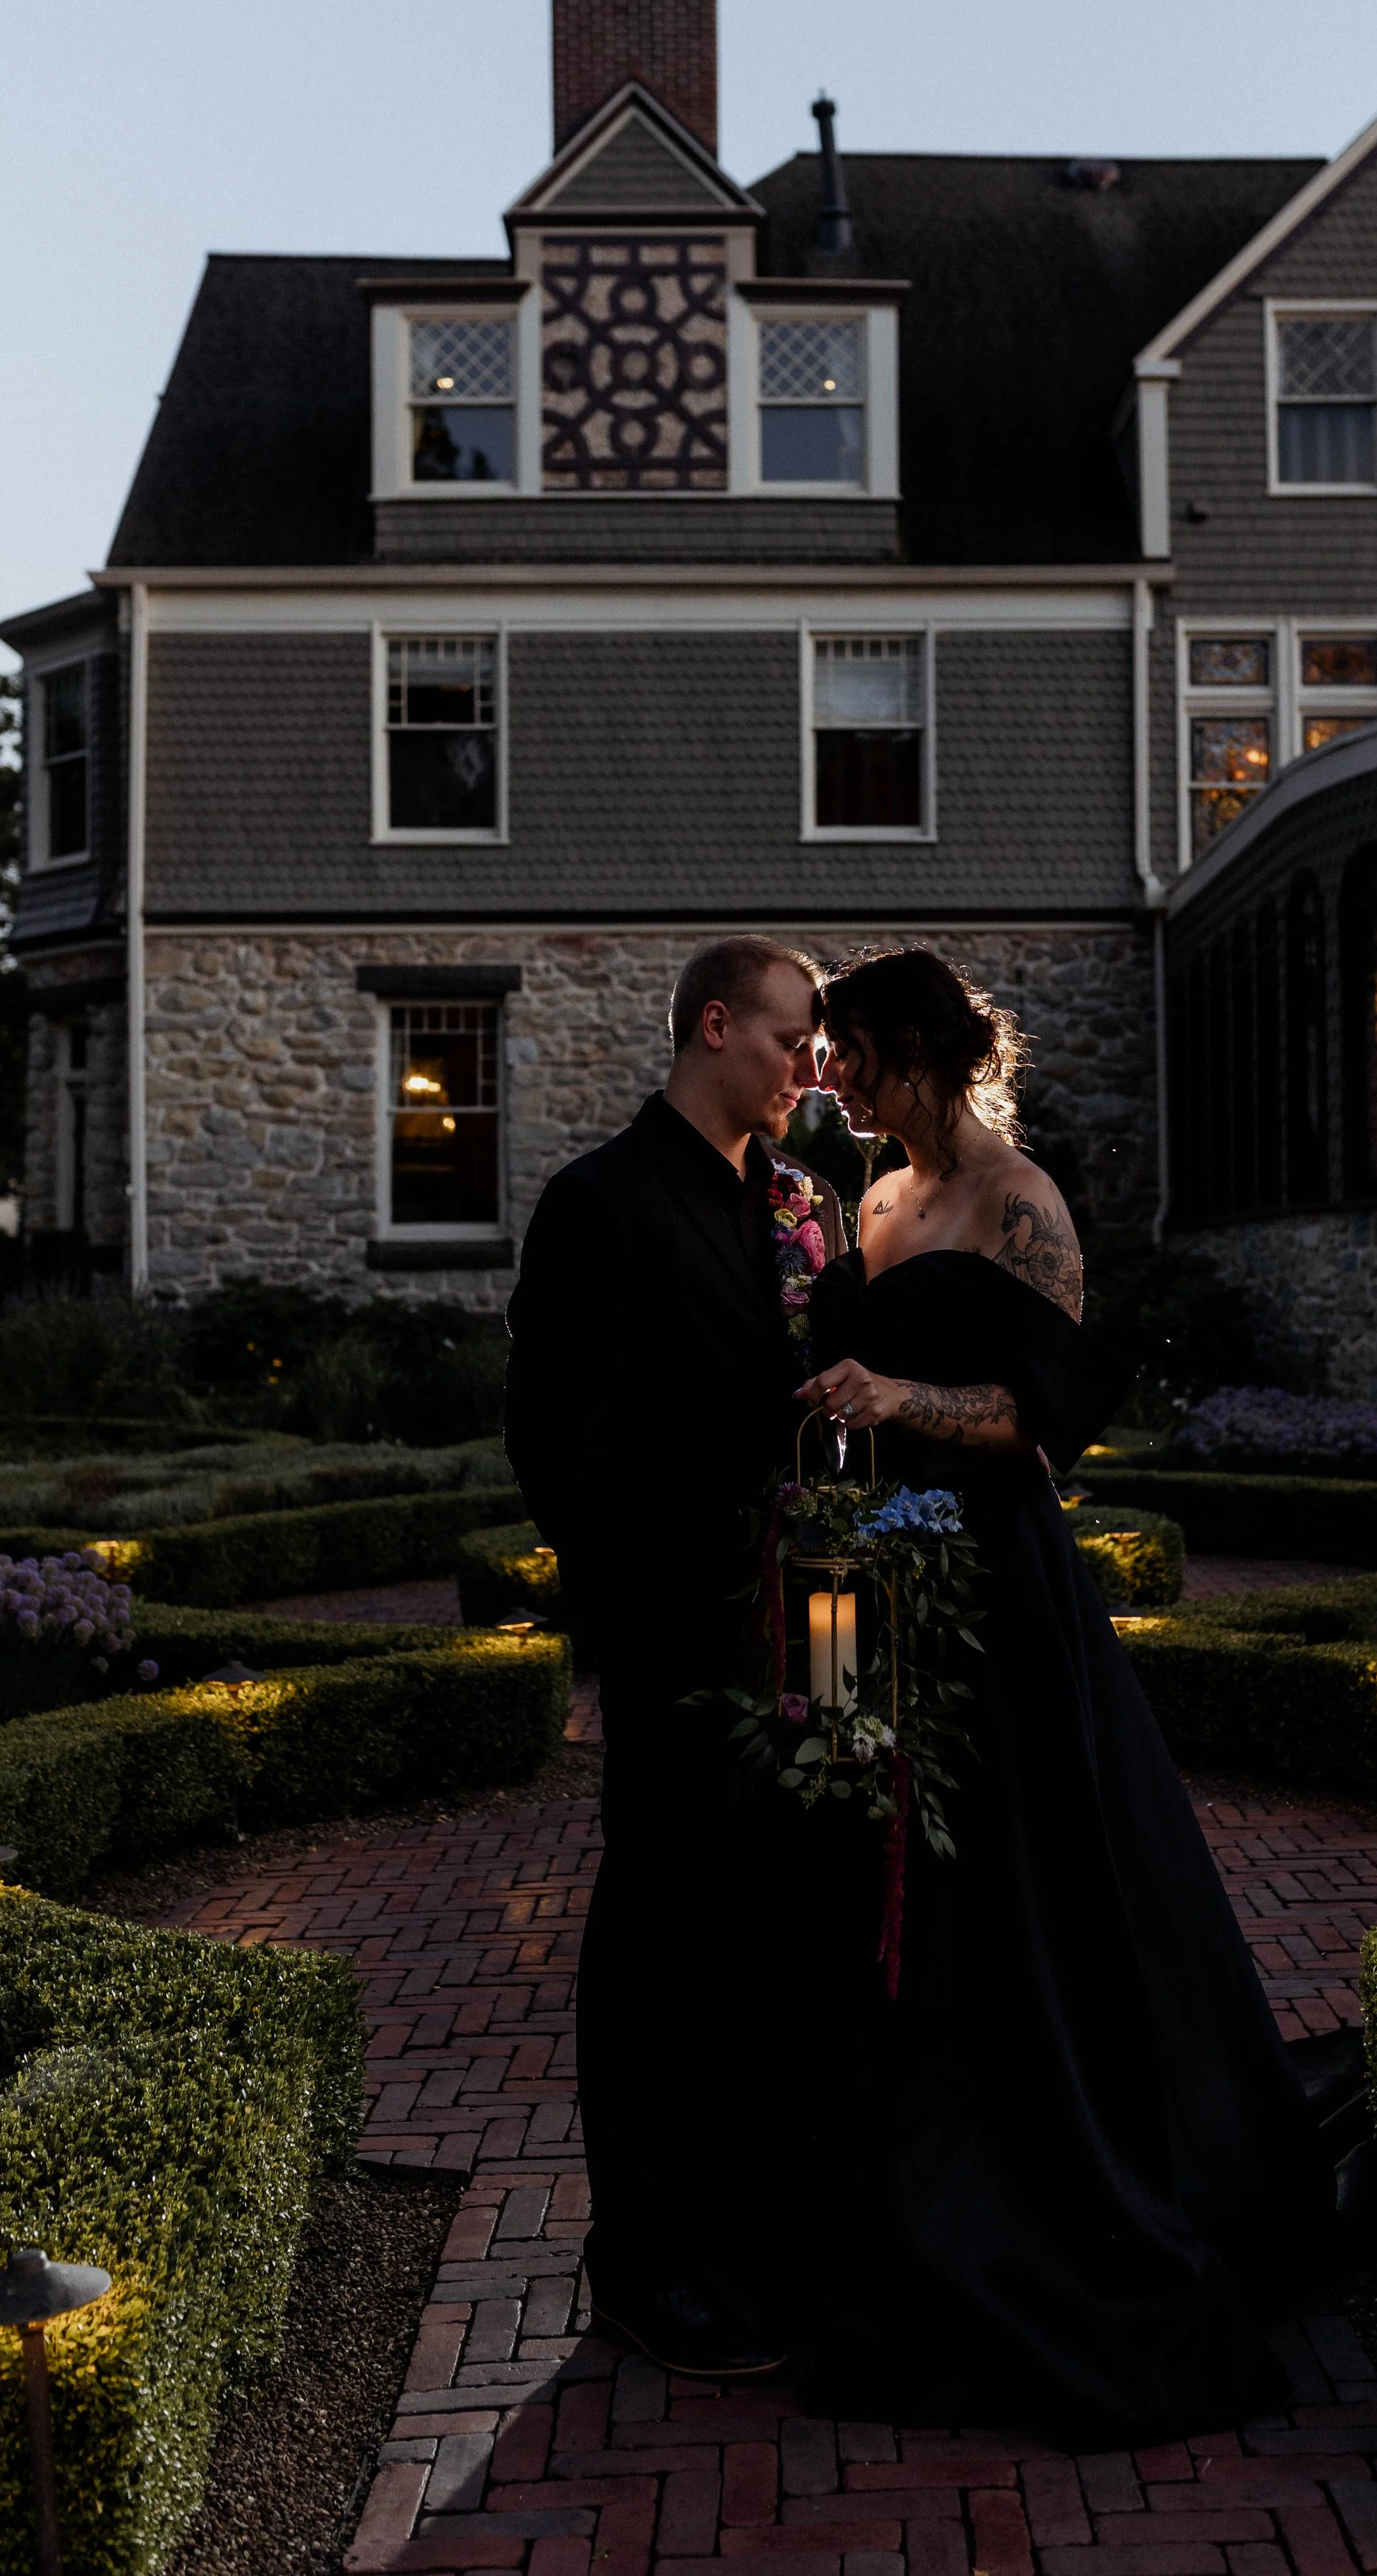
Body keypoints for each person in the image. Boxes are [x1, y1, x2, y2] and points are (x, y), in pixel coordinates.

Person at [790, 945, 1335, 2445]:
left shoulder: (1019, 1204)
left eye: (849, 1052)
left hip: (987, 1580)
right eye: (821, 1051)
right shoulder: (870, 1201)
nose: (828, 1074)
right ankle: (882, 2172)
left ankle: (1036, 2174)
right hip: (852, 1575)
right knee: (856, 1832)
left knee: (1010, 1872)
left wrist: (895, 1397)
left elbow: (1046, 1423)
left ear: (916, 1054)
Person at [504, 935, 845, 2378]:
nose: (805, 1066)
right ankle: (641, 2259)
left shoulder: (800, 1202)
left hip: (812, 1626)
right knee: (658, 1935)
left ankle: (748, 2222)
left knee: (774, 1929)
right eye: (786, 1038)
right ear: (714, 1025)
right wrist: (656, 1611)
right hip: (675, 1635)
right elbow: (557, 1441)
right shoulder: (600, 1201)